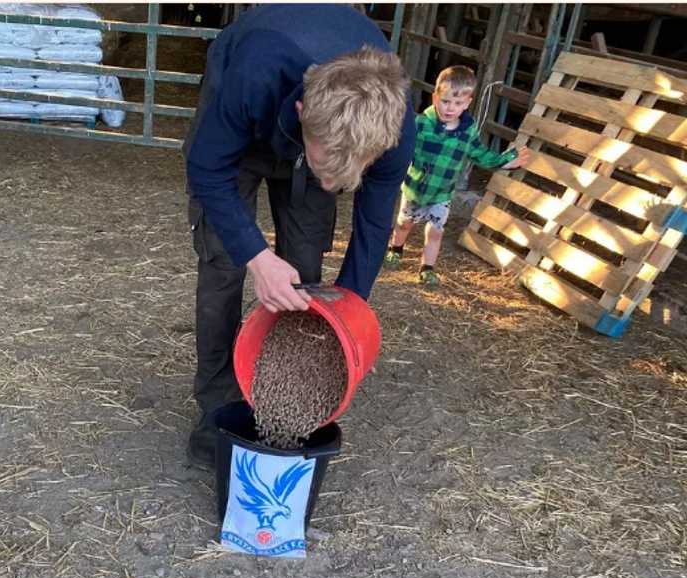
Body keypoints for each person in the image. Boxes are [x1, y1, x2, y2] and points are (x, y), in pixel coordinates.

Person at [183, 5, 416, 467]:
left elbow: (372, 226)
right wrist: (256, 255)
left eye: (344, 177)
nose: (330, 183)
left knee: (304, 270)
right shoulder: (252, 76)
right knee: (223, 260)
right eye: (326, 167)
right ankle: (218, 407)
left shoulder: (394, 129)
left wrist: (348, 314)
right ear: (302, 111)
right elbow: (206, 168)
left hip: (320, 141)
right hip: (245, 123)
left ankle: (288, 390)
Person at [384, 65, 530, 286]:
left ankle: (427, 268)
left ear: (467, 103)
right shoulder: (421, 124)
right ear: (435, 97)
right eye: (445, 101)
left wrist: (505, 161)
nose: (450, 108)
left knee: (435, 232)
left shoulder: (467, 132)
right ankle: (395, 248)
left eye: (458, 103)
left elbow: (480, 154)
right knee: (404, 223)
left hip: (442, 193)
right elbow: (401, 146)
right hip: (415, 188)